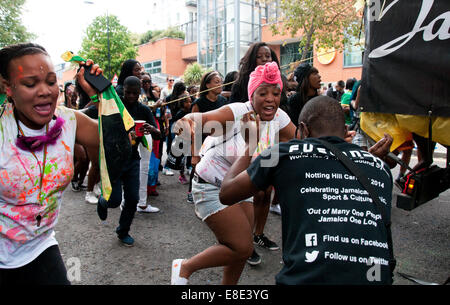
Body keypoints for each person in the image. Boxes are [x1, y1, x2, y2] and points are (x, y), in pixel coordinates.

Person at [219, 95, 395, 285]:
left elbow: (227, 193)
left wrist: (250, 145)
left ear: (302, 129)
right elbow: (336, 176)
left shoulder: (280, 155)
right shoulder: (379, 167)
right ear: (345, 130)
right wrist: (367, 159)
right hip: (375, 278)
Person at [170, 62, 296, 285]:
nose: (270, 99)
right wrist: (188, 123)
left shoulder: (279, 119)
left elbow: (303, 141)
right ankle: (185, 266)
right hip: (210, 185)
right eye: (263, 93)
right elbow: (203, 120)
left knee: (240, 249)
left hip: (239, 187)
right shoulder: (238, 112)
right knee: (242, 246)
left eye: (276, 93)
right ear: (252, 94)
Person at [0, 43, 101, 284]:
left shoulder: (68, 120)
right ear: (8, 87)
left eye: (51, 80)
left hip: (41, 247)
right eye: (30, 83)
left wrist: (101, 91)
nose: (45, 91)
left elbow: (116, 138)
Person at [230, 42, 288, 265]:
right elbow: (234, 114)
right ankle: (245, 242)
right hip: (247, 143)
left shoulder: (277, 84)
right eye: (261, 56)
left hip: (270, 141)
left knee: (265, 193)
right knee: (249, 194)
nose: (265, 60)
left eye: (269, 56)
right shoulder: (241, 84)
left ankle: (258, 234)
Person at [96, 76, 161, 246]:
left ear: (140, 91)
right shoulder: (116, 107)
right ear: (123, 90)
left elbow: (159, 135)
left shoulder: (144, 110)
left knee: (133, 198)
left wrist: (151, 129)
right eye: (128, 92)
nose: (131, 96)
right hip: (115, 159)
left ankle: (123, 231)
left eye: (135, 92)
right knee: (115, 200)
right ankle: (103, 200)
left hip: (133, 158)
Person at [187, 71, 228, 203]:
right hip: (202, 142)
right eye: (217, 82)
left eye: (221, 81)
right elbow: (195, 130)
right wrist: (195, 154)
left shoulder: (223, 101)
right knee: (198, 168)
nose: (220, 84)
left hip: (219, 142)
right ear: (208, 85)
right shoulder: (199, 103)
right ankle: (191, 191)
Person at [63, 82, 89, 192]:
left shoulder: (79, 104)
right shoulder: (63, 105)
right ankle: (73, 179)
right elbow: (69, 115)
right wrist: (68, 100)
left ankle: (80, 181)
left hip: (81, 134)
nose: (73, 94)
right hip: (71, 136)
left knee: (87, 160)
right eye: (70, 93)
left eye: (74, 93)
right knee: (82, 157)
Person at [162, 81, 187, 176]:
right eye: (183, 90)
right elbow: (167, 114)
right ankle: (166, 167)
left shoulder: (184, 98)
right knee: (174, 146)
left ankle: (180, 168)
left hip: (182, 124)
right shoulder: (170, 98)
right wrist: (167, 126)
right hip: (174, 124)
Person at [286, 62, 321, 127]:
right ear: (305, 78)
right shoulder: (294, 100)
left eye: (318, 73)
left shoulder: (320, 100)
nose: (319, 76)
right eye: (315, 73)